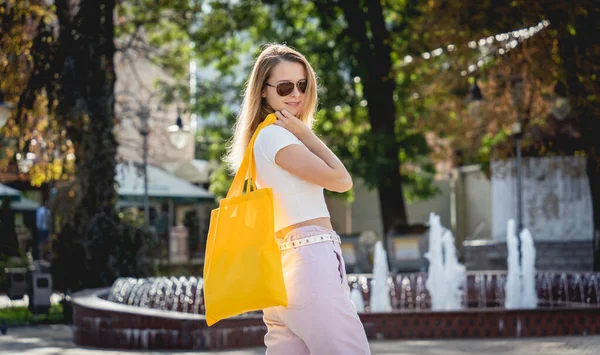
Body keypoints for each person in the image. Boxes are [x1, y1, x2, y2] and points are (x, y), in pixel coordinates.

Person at [224, 43, 370, 355]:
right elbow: (342, 181)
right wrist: (308, 135)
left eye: (303, 85)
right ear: (263, 91)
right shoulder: (276, 136)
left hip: (282, 270)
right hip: (309, 262)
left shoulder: (261, 138)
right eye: (285, 86)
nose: (297, 95)